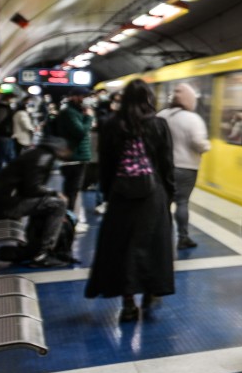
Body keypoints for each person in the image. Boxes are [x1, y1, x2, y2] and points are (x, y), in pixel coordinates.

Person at [86, 80, 176, 323]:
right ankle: (150, 292)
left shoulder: (111, 125)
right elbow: (166, 163)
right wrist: (169, 193)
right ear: (149, 97)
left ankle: (128, 304)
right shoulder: (158, 124)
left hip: (121, 194)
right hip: (153, 193)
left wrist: (107, 194)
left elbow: (106, 165)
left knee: (123, 247)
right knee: (153, 245)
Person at [0, 136, 74, 267]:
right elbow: (33, 188)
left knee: (45, 203)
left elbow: (28, 191)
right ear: (59, 148)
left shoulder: (35, 153)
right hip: (1, 207)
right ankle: (43, 254)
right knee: (58, 205)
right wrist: (56, 193)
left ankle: (34, 246)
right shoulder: (44, 157)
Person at [157, 83, 212, 249]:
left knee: (163, 203)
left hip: (163, 167)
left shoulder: (161, 115)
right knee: (182, 202)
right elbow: (198, 143)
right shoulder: (192, 118)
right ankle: (183, 237)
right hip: (186, 167)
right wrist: (207, 147)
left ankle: (161, 236)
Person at [54, 87, 93, 224]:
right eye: (84, 96)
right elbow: (80, 132)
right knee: (72, 191)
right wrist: (88, 117)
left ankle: (69, 218)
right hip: (73, 158)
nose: (86, 99)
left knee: (73, 191)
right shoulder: (69, 113)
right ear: (74, 97)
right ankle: (68, 220)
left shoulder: (74, 112)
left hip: (78, 157)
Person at [0, 93, 16, 171]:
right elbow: (0, 121)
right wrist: (5, 130)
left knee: (4, 154)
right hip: (4, 134)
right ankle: (5, 170)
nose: (13, 100)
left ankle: (5, 170)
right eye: (12, 98)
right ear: (8, 98)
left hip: (6, 134)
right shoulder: (3, 108)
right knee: (4, 154)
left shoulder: (5, 107)